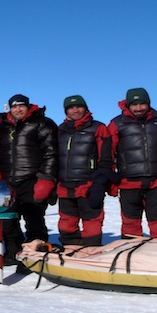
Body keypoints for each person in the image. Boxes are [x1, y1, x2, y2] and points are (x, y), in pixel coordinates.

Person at [0, 94, 58, 271]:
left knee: (34, 220)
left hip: (32, 179)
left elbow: (51, 153)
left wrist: (46, 178)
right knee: (8, 221)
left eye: (21, 106)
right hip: (8, 181)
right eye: (14, 107)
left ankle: (34, 256)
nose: (18, 109)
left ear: (28, 107)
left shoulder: (42, 123)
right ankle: (13, 252)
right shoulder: (3, 127)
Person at [107, 88, 157, 239]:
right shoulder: (117, 123)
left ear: (148, 103)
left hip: (156, 181)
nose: (138, 108)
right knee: (130, 223)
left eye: (142, 104)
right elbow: (108, 153)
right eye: (134, 104)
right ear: (128, 105)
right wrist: (110, 180)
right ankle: (131, 248)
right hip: (128, 182)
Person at [55, 95, 114, 246]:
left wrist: (100, 183)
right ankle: (71, 249)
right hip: (65, 185)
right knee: (66, 223)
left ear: (86, 108)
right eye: (71, 108)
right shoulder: (60, 130)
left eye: (79, 107)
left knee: (92, 222)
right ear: (66, 111)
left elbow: (106, 158)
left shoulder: (98, 128)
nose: (75, 110)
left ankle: (92, 250)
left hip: (88, 184)